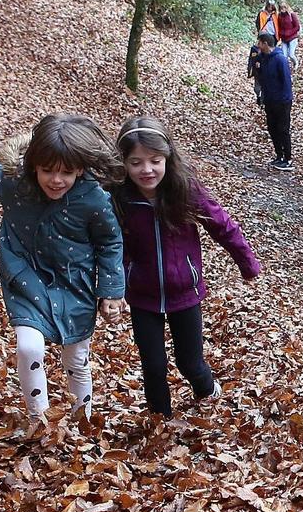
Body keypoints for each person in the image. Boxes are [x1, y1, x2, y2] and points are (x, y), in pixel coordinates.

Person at [0, 114, 126, 436]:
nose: (57, 180)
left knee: (76, 359)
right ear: (33, 166)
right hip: (26, 278)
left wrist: (111, 290)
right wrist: (14, 156)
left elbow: (110, 241)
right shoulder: (16, 186)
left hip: (76, 283)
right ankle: (39, 420)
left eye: (67, 172)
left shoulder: (93, 199)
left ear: (80, 169)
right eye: (47, 170)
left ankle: (82, 422)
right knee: (29, 347)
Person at [109, 116, 262, 412]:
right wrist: (120, 278)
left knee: (189, 362)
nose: (147, 169)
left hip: (185, 292)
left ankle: (207, 392)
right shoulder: (119, 198)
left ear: (167, 157)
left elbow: (222, 224)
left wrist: (246, 262)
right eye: (136, 162)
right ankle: (159, 419)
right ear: (124, 163)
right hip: (143, 295)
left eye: (155, 160)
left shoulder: (184, 190)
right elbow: (107, 242)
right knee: (153, 366)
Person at [254, 31, 295, 171]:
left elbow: (286, 81)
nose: (257, 45)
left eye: (259, 43)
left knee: (283, 129)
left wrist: (284, 99)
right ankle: (279, 156)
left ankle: (288, 159)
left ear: (265, 44)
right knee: (272, 129)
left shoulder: (280, 59)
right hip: (269, 100)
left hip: (282, 101)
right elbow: (261, 78)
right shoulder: (263, 58)